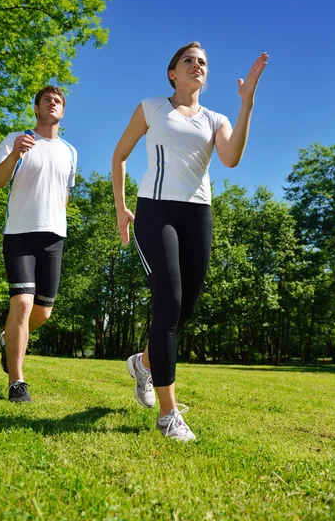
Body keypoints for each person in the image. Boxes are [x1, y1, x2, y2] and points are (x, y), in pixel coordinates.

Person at [112, 43, 267, 441]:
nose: (197, 65)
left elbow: (230, 158)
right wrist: (121, 207)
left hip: (198, 214)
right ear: (172, 73)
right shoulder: (151, 107)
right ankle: (168, 415)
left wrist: (246, 102)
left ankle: (144, 363)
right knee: (168, 300)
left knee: (185, 311)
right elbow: (120, 155)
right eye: (188, 61)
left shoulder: (215, 118)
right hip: (156, 211)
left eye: (202, 62)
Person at [0, 86, 77, 402]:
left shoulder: (70, 151)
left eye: (58, 101)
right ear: (37, 108)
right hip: (20, 234)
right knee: (22, 304)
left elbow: (64, 193)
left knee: (42, 313)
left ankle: (4, 339)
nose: (52, 103)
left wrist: (56, 218)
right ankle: (17, 383)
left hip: (54, 236)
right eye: (46, 100)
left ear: (62, 112)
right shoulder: (17, 138)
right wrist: (14, 154)